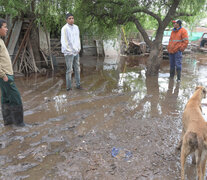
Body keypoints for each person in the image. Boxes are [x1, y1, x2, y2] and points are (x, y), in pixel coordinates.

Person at [0, 18, 25, 126]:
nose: (7, 29)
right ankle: (20, 123)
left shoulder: (0, 41)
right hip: (5, 76)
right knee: (16, 97)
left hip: (5, 75)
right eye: (4, 27)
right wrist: (3, 74)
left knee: (6, 98)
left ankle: (8, 122)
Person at [61, 13, 82, 91]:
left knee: (77, 68)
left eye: (72, 18)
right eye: (69, 18)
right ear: (66, 20)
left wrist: (78, 48)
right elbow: (64, 41)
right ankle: (69, 87)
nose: (71, 19)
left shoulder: (76, 27)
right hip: (69, 53)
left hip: (76, 52)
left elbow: (78, 39)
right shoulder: (64, 28)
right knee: (69, 70)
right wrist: (69, 51)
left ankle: (78, 85)